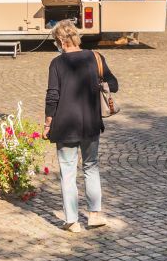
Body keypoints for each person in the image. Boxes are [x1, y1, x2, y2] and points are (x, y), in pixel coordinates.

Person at [44, 19, 117, 232]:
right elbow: (114, 84)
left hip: (64, 124)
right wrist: (95, 83)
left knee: (68, 171)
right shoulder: (95, 57)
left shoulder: (57, 63)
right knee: (91, 166)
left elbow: (53, 96)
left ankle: (72, 220)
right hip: (90, 122)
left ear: (60, 41)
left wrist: (47, 123)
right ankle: (94, 215)